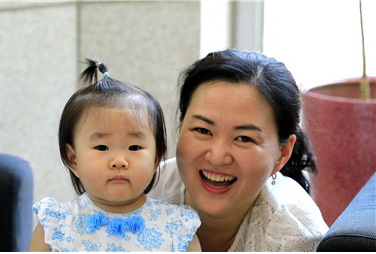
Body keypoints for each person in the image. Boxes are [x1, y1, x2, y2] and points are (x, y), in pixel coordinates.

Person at [148, 48, 329, 252]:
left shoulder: (294, 236)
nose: (217, 157)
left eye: (244, 138)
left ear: (282, 154)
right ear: (181, 126)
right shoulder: (144, 191)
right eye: (203, 130)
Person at [29, 59, 201, 252]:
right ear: (73, 159)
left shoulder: (178, 228)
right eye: (102, 147)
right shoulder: (56, 227)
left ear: (156, 159)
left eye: (134, 147)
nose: (119, 161)